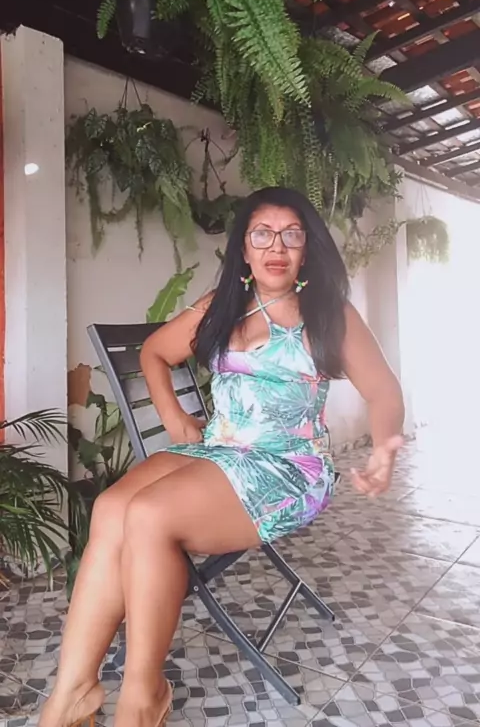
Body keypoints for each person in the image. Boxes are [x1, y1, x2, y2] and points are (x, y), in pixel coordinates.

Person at [40, 186, 404, 727]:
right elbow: (155, 352)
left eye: (291, 234)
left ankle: (143, 696)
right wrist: (173, 417)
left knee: (149, 515)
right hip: (219, 450)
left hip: (287, 467)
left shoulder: (329, 314)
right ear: (244, 248)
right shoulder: (221, 305)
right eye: (262, 234)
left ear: (307, 248)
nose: (276, 246)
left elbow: (385, 392)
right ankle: (73, 692)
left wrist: (385, 445)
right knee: (112, 508)